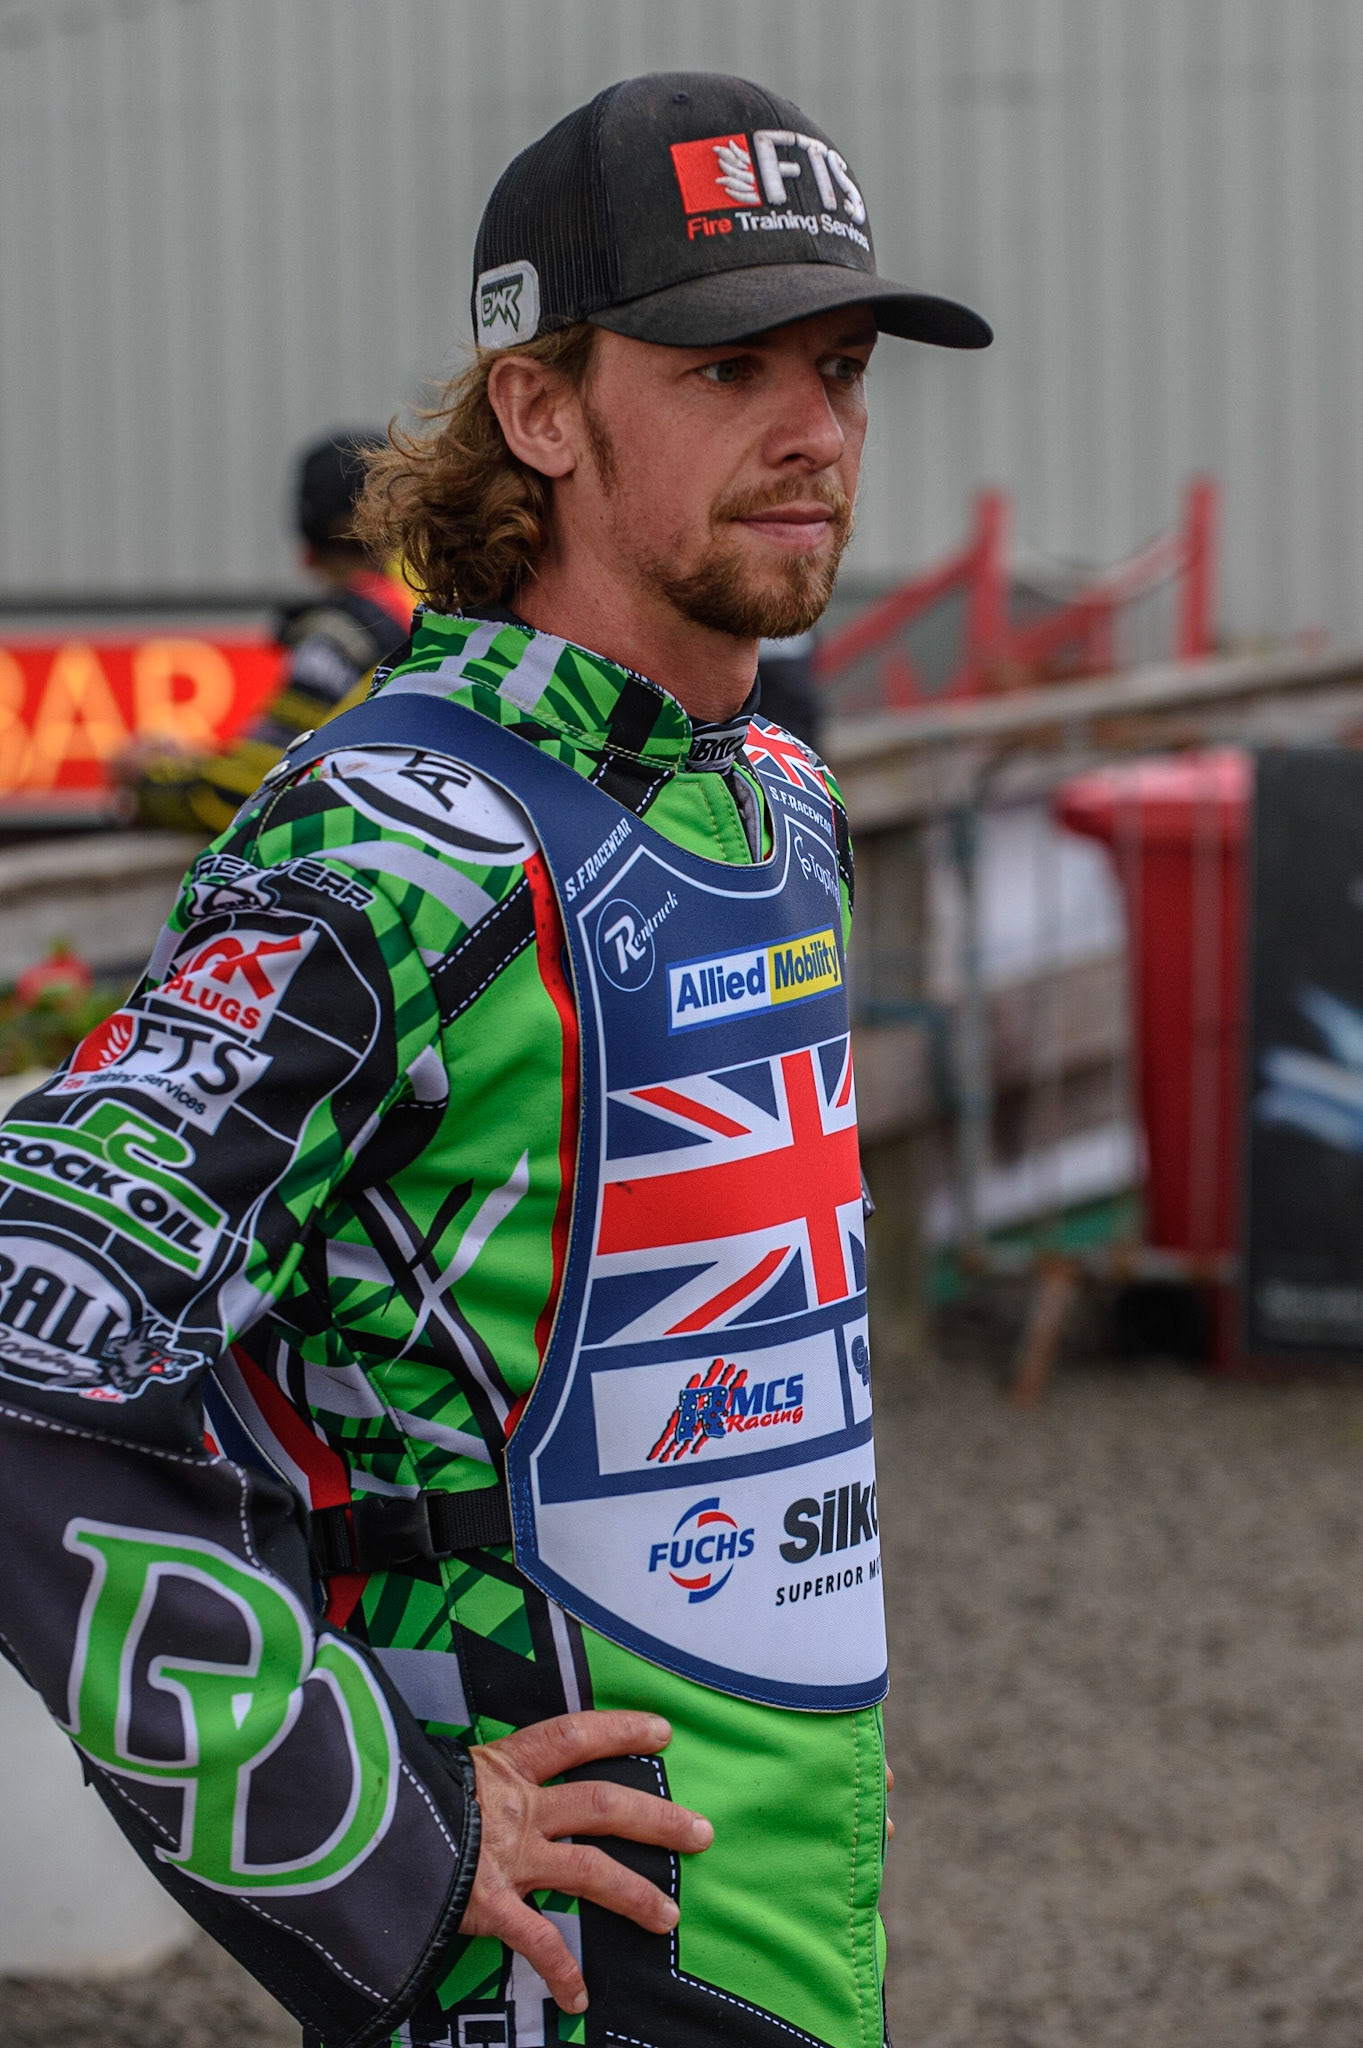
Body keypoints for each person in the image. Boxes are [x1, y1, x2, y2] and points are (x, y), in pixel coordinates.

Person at [0, 72, 989, 2048]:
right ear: (538, 406)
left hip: (797, 1903)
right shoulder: (394, 834)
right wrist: (368, 1825)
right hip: (554, 1957)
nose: (817, 432)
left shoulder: (775, 796)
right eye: (726, 370)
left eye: (845, 361)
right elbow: (31, 1337)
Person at [118, 431, 412, 836]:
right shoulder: (442, 602)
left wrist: (148, 776)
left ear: (309, 551)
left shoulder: (346, 631)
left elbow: (248, 792)